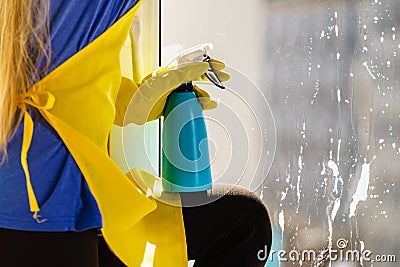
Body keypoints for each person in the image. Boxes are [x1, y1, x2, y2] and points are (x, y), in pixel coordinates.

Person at [0, 1, 272, 266]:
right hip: (46, 205)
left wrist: (145, 95)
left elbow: (65, 82)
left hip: (37, 200)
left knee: (244, 222)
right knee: (243, 227)